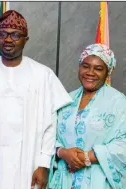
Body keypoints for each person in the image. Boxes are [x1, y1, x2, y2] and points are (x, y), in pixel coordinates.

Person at [0, 10, 73, 189]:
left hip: (28, 164)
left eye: (15, 35)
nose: (8, 40)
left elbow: (50, 124)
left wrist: (43, 164)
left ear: (26, 39)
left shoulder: (42, 75)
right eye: (3, 34)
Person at [48, 43, 126, 189]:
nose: (90, 72)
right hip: (64, 181)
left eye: (98, 68)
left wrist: (86, 157)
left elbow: (123, 144)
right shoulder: (66, 100)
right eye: (85, 66)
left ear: (108, 72)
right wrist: (63, 152)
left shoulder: (119, 102)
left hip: (99, 182)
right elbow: (49, 136)